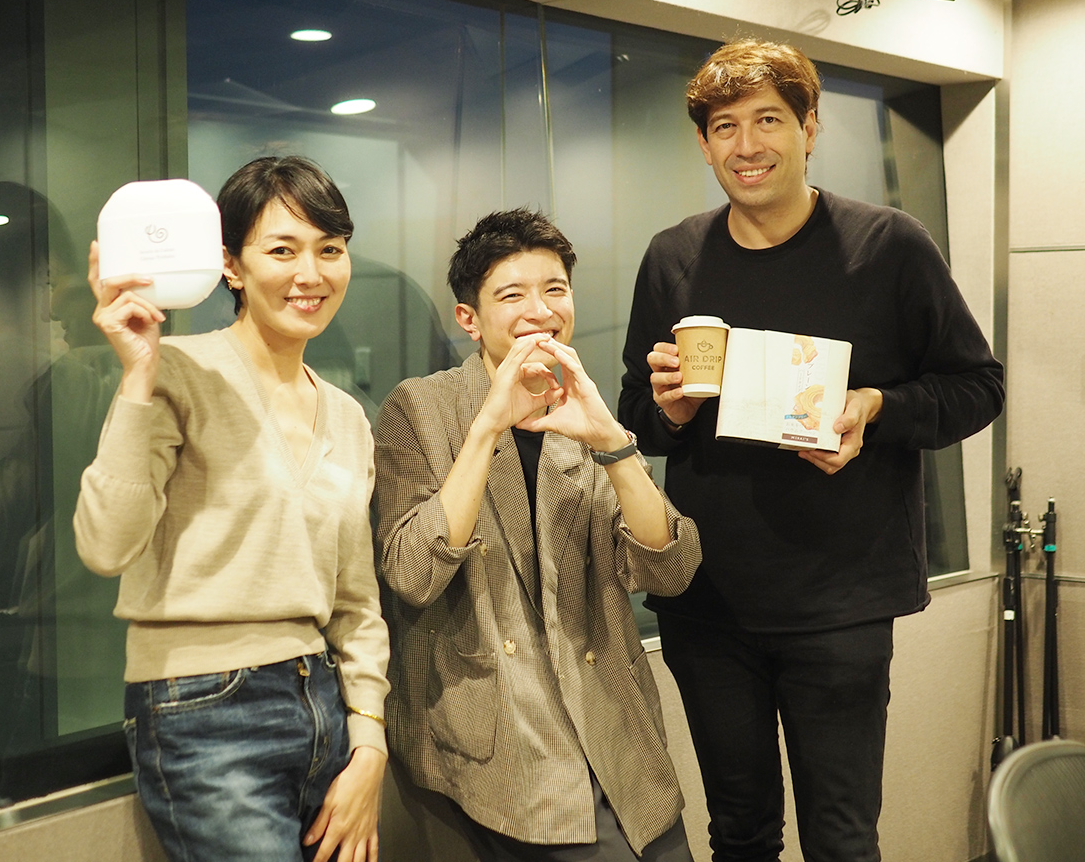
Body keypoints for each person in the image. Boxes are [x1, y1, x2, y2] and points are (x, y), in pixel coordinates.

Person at [618, 40, 1005, 862]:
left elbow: (978, 386)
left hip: (842, 601)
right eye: (726, 127)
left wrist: (876, 408)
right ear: (704, 144)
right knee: (740, 832)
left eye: (768, 120)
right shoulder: (674, 256)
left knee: (842, 838)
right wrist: (670, 412)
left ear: (810, 128)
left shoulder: (887, 245)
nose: (747, 145)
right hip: (707, 600)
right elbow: (637, 419)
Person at [74, 156, 389, 862]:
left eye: (329, 250)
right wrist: (138, 375)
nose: (310, 274)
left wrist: (369, 741)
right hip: (203, 709)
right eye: (282, 250)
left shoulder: (348, 416)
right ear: (231, 265)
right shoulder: (175, 369)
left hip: (326, 705)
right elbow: (105, 545)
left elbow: (356, 603)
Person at [373, 208, 702, 862]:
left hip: (610, 725)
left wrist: (612, 443)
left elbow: (671, 571)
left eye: (555, 289)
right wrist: (488, 426)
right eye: (512, 295)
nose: (541, 310)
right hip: (498, 741)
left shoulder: (580, 403)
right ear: (469, 319)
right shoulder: (421, 407)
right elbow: (412, 573)